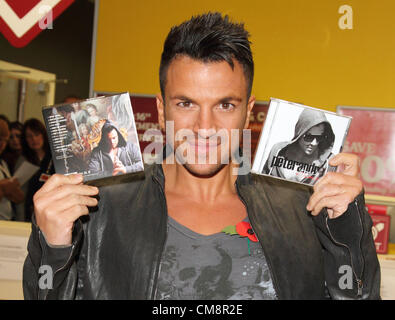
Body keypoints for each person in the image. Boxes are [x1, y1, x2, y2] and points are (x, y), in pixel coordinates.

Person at [23, 12, 379, 300]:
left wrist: (348, 232)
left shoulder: (301, 206)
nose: (205, 126)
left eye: (225, 104)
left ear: (248, 111)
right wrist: (53, 248)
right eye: (186, 103)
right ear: (162, 111)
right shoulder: (102, 206)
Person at [263, 109, 335, 185]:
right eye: (309, 137)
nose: (314, 143)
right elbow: (261, 182)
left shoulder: (329, 161)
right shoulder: (278, 150)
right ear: (300, 133)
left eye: (319, 138)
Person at [22, 119, 54, 222]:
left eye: (37, 134)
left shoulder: (53, 158)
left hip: (50, 209)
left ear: (43, 135)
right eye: (29, 136)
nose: (34, 139)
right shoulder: (23, 160)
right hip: (27, 210)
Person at [0, 118, 24, 220]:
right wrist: (3, 188)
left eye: (5, 140)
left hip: (7, 219)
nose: (2, 144)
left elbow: (18, 198)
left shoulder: (3, 163)